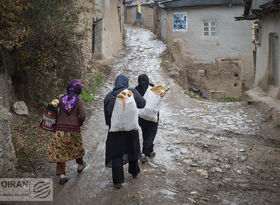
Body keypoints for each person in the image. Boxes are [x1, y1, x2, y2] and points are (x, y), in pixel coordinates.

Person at [104, 74, 146, 189]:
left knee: (116, 154)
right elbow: (142, 104)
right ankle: (134, 172)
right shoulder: (131, 92)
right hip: (131, 130)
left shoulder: (108, 96)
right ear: (126, 83)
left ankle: (118, 181)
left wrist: (113, 125)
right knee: (132, 150)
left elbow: (107, 118)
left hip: (115, 132)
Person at [48, 79, 87, 185]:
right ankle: (80, 166)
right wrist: (78, 123)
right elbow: (83, 115)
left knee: (60, 151)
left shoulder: (61, 98)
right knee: (77, 148)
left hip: (60, 129)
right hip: (73, 130)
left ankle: (62, 175)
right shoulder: (78, 101)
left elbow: (54, 109)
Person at [135, 74, 159, 163]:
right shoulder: (153, 87)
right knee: (151, 135)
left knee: (146, 133)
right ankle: (144, 154)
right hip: (152, 117)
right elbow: (160, 96)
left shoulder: (136, 89)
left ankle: (150, 151)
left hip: (141, 117)